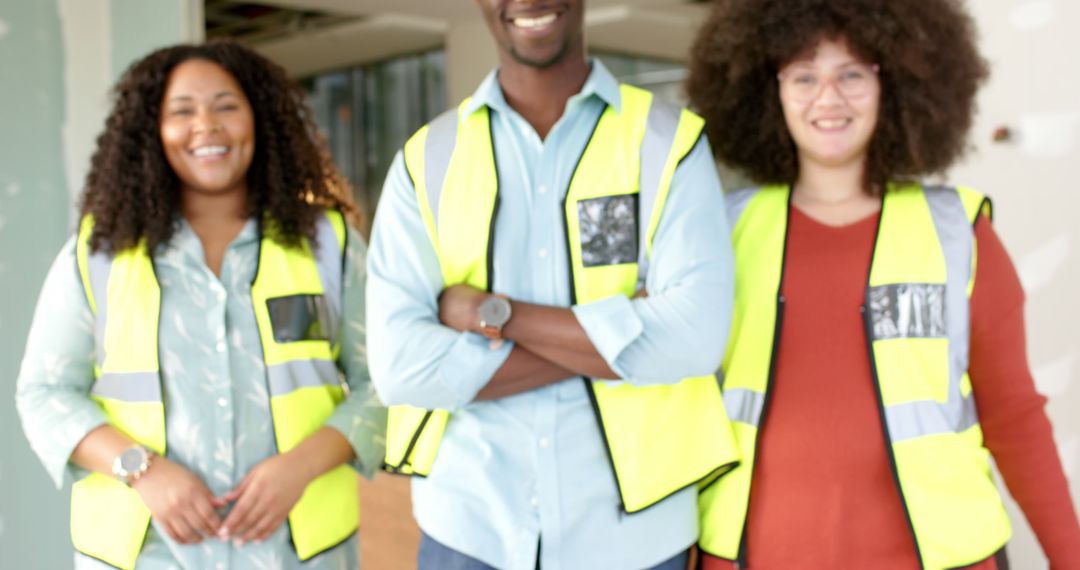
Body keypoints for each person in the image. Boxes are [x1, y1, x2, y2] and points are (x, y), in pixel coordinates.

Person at [685, 0, 1080, 568]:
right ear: (766, 89)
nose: (828, 98)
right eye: (804, 75)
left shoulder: (959, 236)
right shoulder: (721, 232)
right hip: (747, 557)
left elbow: (1015, 416)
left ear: (893, 82)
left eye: (852, 73)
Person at [365, 0, 740, 568]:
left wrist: (498, 316)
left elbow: (694, 338)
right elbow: (401, 370)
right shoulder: (426, 161)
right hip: (470, 531)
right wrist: (623, 329)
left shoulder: (669, 145)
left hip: (634, 534)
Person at [15, 40, 385, 570]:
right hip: (146, 559)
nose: (206, 126)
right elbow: (44, 394)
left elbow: (389, 384)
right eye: (181, 111)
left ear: (260, 118)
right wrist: (140, 469)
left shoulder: (329, 243)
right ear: (151, 132)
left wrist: (300, 467)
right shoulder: (99, 252)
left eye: (226, 106)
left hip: (299, 555)